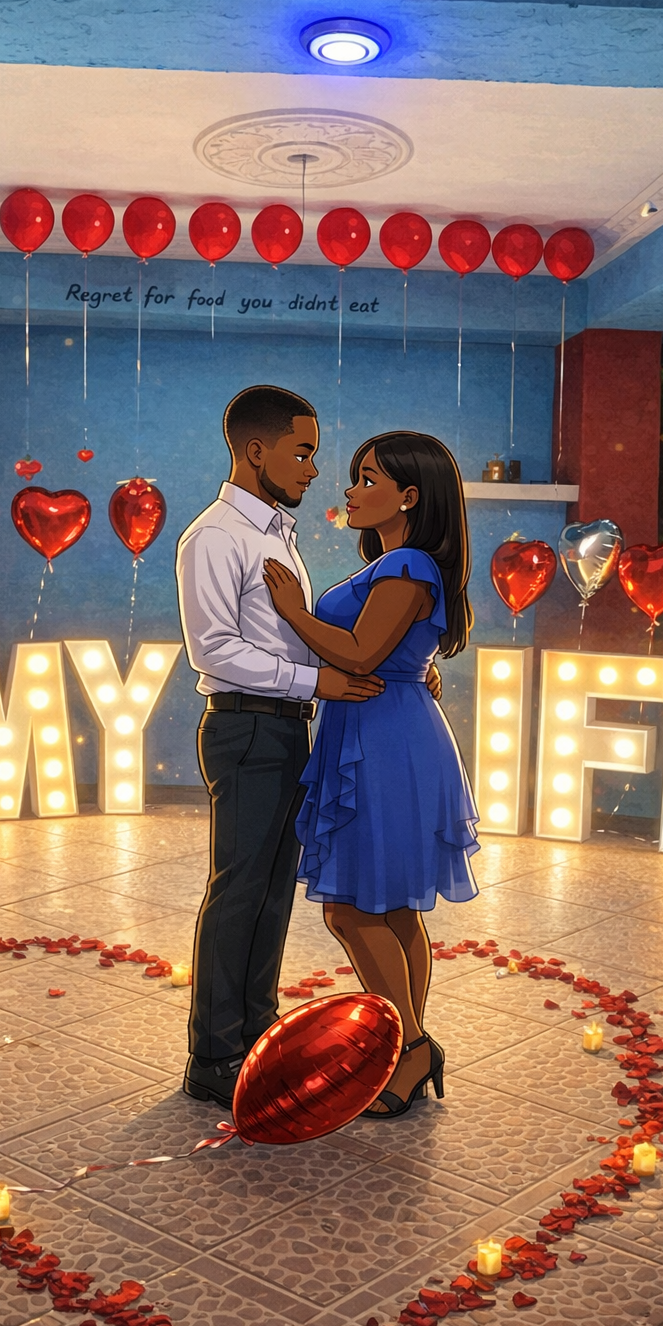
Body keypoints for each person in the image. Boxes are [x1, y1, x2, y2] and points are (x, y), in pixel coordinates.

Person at [175, 388, 442, 1109]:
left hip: (290, 727)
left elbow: (314, 635)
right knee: (239, 891)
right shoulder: (215, 536)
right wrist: (319, 680)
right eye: (302, 453)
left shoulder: (277, 533)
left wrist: (404, 664)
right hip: (247, 726)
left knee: (270, 895)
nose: (315, 470)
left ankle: (254, 1035)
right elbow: (214, 650)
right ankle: (214, 1056)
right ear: (254, 451)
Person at [263, 429, 479, 1118]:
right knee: (392, 908)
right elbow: (393, 650)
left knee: (352, 910)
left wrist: (293, 612)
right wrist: (416, 669)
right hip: (388, 731)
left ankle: (408, 1047)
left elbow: (359, 653)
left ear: (409, 496)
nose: (350, 490)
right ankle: (411, 1046)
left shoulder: (408, 564)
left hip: (384, 743)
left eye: (367, 478)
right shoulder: (404, 565)